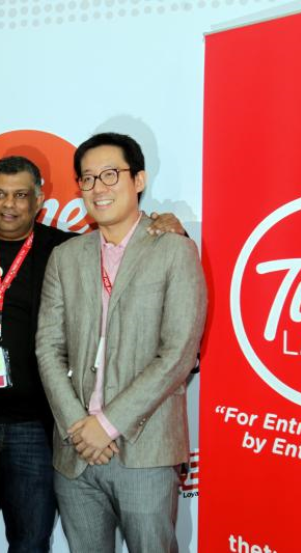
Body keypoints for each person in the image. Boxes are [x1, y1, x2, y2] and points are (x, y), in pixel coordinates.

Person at [0, 155, 185, 552]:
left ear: (39, 200)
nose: (9, 204)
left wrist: (165, 225)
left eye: (21, 195)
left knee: (30, 543)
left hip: (35, 429)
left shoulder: (64, 249)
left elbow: (121, 243)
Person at [36, 133, 207, 553]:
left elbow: (178, 353)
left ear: (139, 180)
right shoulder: (66, 256)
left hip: (144, 451)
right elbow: (48, 347)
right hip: (76, 452)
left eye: (110, 174)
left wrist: (107, 425)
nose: (98, 187)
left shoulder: (174, 250)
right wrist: (79, 427)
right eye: (88, 178)